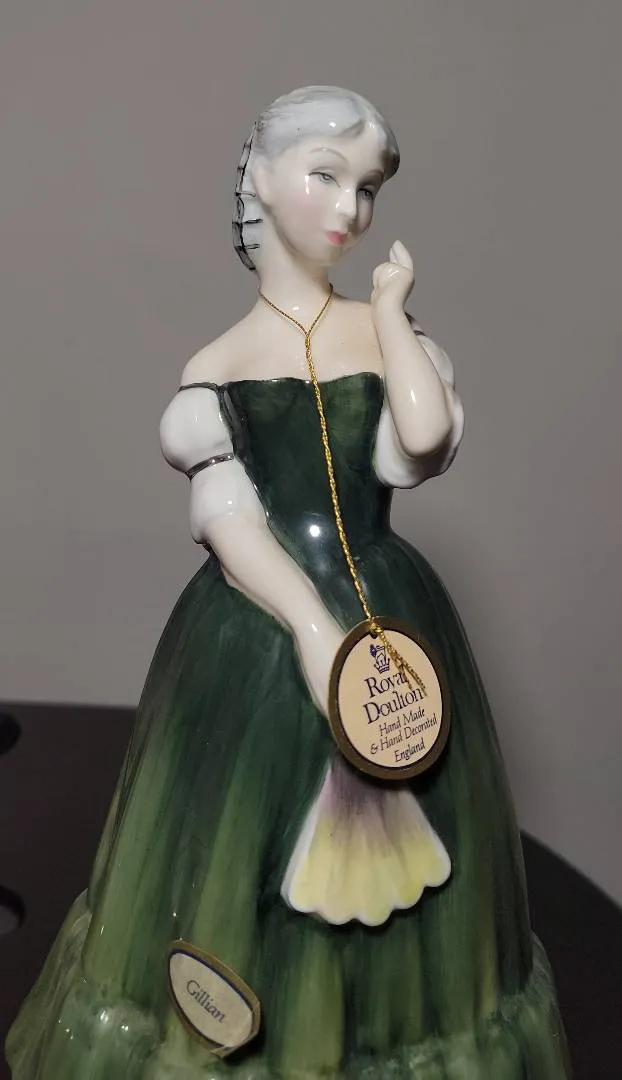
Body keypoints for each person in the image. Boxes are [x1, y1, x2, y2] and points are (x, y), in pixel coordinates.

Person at [7, 85, 570, 1079]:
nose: (351, 209)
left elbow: (420, 442)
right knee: (234, 852)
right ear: (261, 180)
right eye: (326, 177)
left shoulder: (384, 331)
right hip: (258, 629)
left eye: (368, 189)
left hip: (388, 601)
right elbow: (229, 524)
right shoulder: (219, 368)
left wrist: (390, 314)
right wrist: (311, 630)